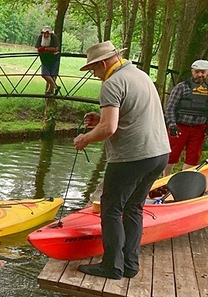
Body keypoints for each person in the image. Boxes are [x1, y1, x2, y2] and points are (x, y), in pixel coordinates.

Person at [73, 41, 170, 280]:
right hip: (159, 154)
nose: (95, 75)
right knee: (133, 208)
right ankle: (130, 265)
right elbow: (130, 114)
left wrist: (85, 138)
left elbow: (109, 128)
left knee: (112, 209)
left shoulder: (112, 83)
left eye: (94, 69)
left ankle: (111, 267)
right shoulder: (140, 75)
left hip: (132, 157)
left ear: (104, 63)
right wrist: (100, 118)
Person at [162, 59, 208, 176]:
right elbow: (170, 107)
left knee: (193, 156)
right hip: (180, 126)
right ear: (192, 71)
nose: (200, 75)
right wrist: (172, 124)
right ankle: (165, 180)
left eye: (203, 72)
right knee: (172, 154)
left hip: (199, 128)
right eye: (197, 72)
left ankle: (184, 181)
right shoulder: (181, 87)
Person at [35, 26, 61, 94]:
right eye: (44, 33)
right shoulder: (40, 37)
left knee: (53, 74)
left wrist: (45, 49)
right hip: (44, 59)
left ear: (50, 33)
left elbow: (56, 48)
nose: (46, 35)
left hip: (54, 58)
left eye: (47, 33)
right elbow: (37, 47)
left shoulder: (54, 37)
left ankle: (49, 91)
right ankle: (55, 87)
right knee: (44, 74)